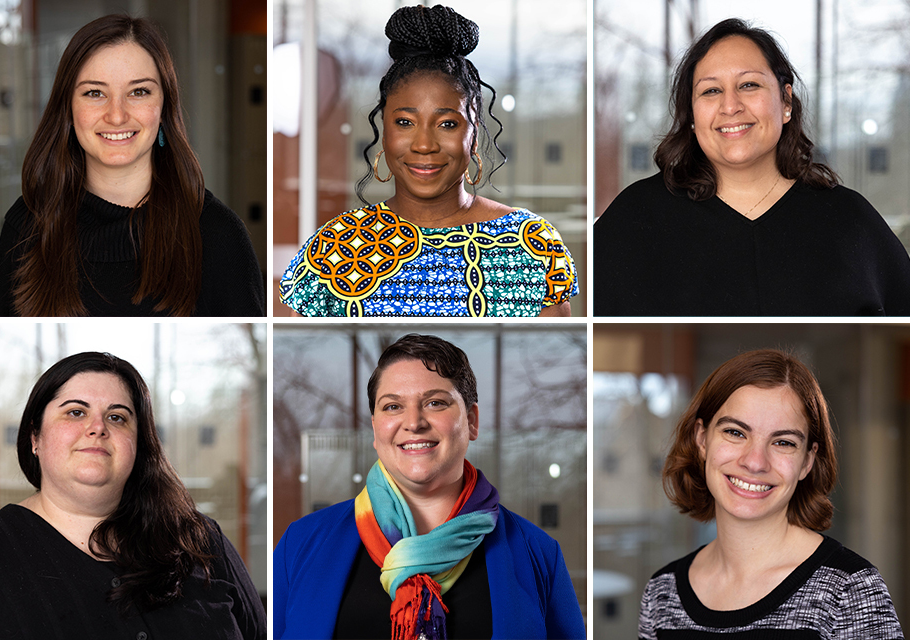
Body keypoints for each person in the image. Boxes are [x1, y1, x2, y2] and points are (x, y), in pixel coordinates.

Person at [273, 334, 585, 638]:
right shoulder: (299, 545)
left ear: (472, 421)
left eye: (435, 402)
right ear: (374, 427)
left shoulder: (539, 554)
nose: (414, 422)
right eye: (392, 406)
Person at [593, 18, 910, 316]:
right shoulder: (635, 219)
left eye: (749, 85)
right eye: (711, 90)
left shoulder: (850, 221)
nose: (730, 106)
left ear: (786, 101)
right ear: (691, 114)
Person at [279, 5, 578, 317]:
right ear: (384, 132)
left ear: (473, 135)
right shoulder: (334, 248)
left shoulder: (532, 244)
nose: (424, 144)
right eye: (405, 123)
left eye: (447, 123)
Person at [0, 352, 267, 639]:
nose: (97, 427)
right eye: (75, 412)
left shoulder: (202, 542)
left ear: (139, 444)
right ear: (35, 437)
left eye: (117, 417)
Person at [0, 14, 265, 317]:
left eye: (139, 91)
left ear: (164, 107)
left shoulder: (218, 235)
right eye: (95, 93)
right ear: (68, 109)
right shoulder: (27, 226)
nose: (117, 115)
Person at [639, 348, 903, 638]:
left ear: (807, 461)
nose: (755, 462)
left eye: (784, 442)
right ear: (702, 439)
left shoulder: (850, 590)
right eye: (735, 433)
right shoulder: (662, 594)